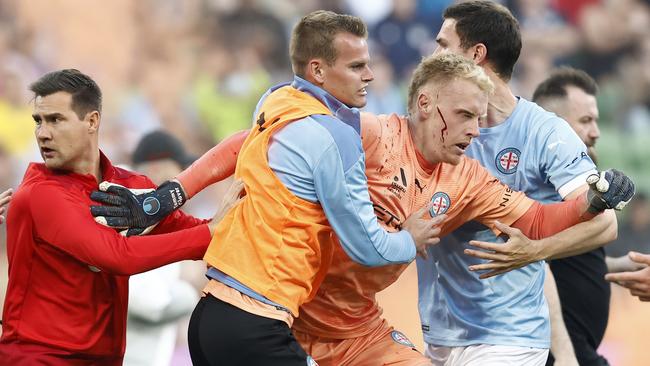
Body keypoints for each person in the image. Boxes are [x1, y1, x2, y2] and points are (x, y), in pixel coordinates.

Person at [94, 52, 633, 366]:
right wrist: (170, 193)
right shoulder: (368, 135)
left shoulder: (468, 179)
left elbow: (537, 220)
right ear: (426, 105)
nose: (476, 129)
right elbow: (253, 140)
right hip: (286, 313)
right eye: (466, 114)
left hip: (358, 329)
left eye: (481, 118)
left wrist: (592, 199)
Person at [91, 11, 442, 365]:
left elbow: (239, 143)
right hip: (255, 325)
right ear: (318, 71)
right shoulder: (334, 138)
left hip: (209, 318)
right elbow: (367, 246)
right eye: (356, 66)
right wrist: (409, 240)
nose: (369, 75)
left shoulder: (275, 101)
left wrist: (170, 195)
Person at [417, 2, 623, 365]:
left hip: (508, 336)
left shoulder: (545, 132)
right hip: (440, 332)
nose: (434, 55)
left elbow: (605, 224)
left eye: (444, 44)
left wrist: (535, 251)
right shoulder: (435, 125)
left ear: (476, 54)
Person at [0, 69, 242, 365]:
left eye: (55, 120)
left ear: (92, 121)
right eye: (39, 121)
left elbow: (196, 233)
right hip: (38, 358)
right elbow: (118, 256)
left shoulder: (129, 187)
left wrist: (231, 224)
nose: (42, 133)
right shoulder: (39, 194)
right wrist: (210, 234)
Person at [532, 66, 610, 366]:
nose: (596, 132)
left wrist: (616, 267)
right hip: (561, 354)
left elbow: (567, 259)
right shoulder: (537, 188)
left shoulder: (572, 190)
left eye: (596, 121)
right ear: (554, 126)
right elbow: (536, 266)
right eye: (586, 120)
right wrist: (565, 355)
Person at [123, 130, 202, 366]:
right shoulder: (127, 214)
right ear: (156, 170)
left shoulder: (158, 220)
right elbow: (148, 305)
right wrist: (191, 292)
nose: (183, 182)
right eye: (178, 171)